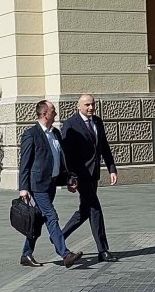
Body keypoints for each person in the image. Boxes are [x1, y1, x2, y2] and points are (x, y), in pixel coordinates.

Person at [18, 100, 83, 268]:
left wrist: (69, 178)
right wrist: (23, 188)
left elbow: (61, 159)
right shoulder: (31, 134)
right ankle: (65, 254)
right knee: (51, 217)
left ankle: (26, 254)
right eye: (53, 110)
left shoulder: (55, 133)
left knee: (38, 220)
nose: (55, 113)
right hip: (37, 185)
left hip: (51, 184)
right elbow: (24, 163)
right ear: (44, 113)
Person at [61, 94, 119, 262]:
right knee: (95, 208)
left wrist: (111, 168)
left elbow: (104, 147)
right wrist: (69, 177)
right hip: (80, 175)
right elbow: (67, 154)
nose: (91, 108)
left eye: (93, 104)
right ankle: (103, 250)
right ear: (78, 106)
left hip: (94, 174)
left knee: (85, 210)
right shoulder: (70, 124)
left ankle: (59, 236)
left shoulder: (98, 122)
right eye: (87, 105)